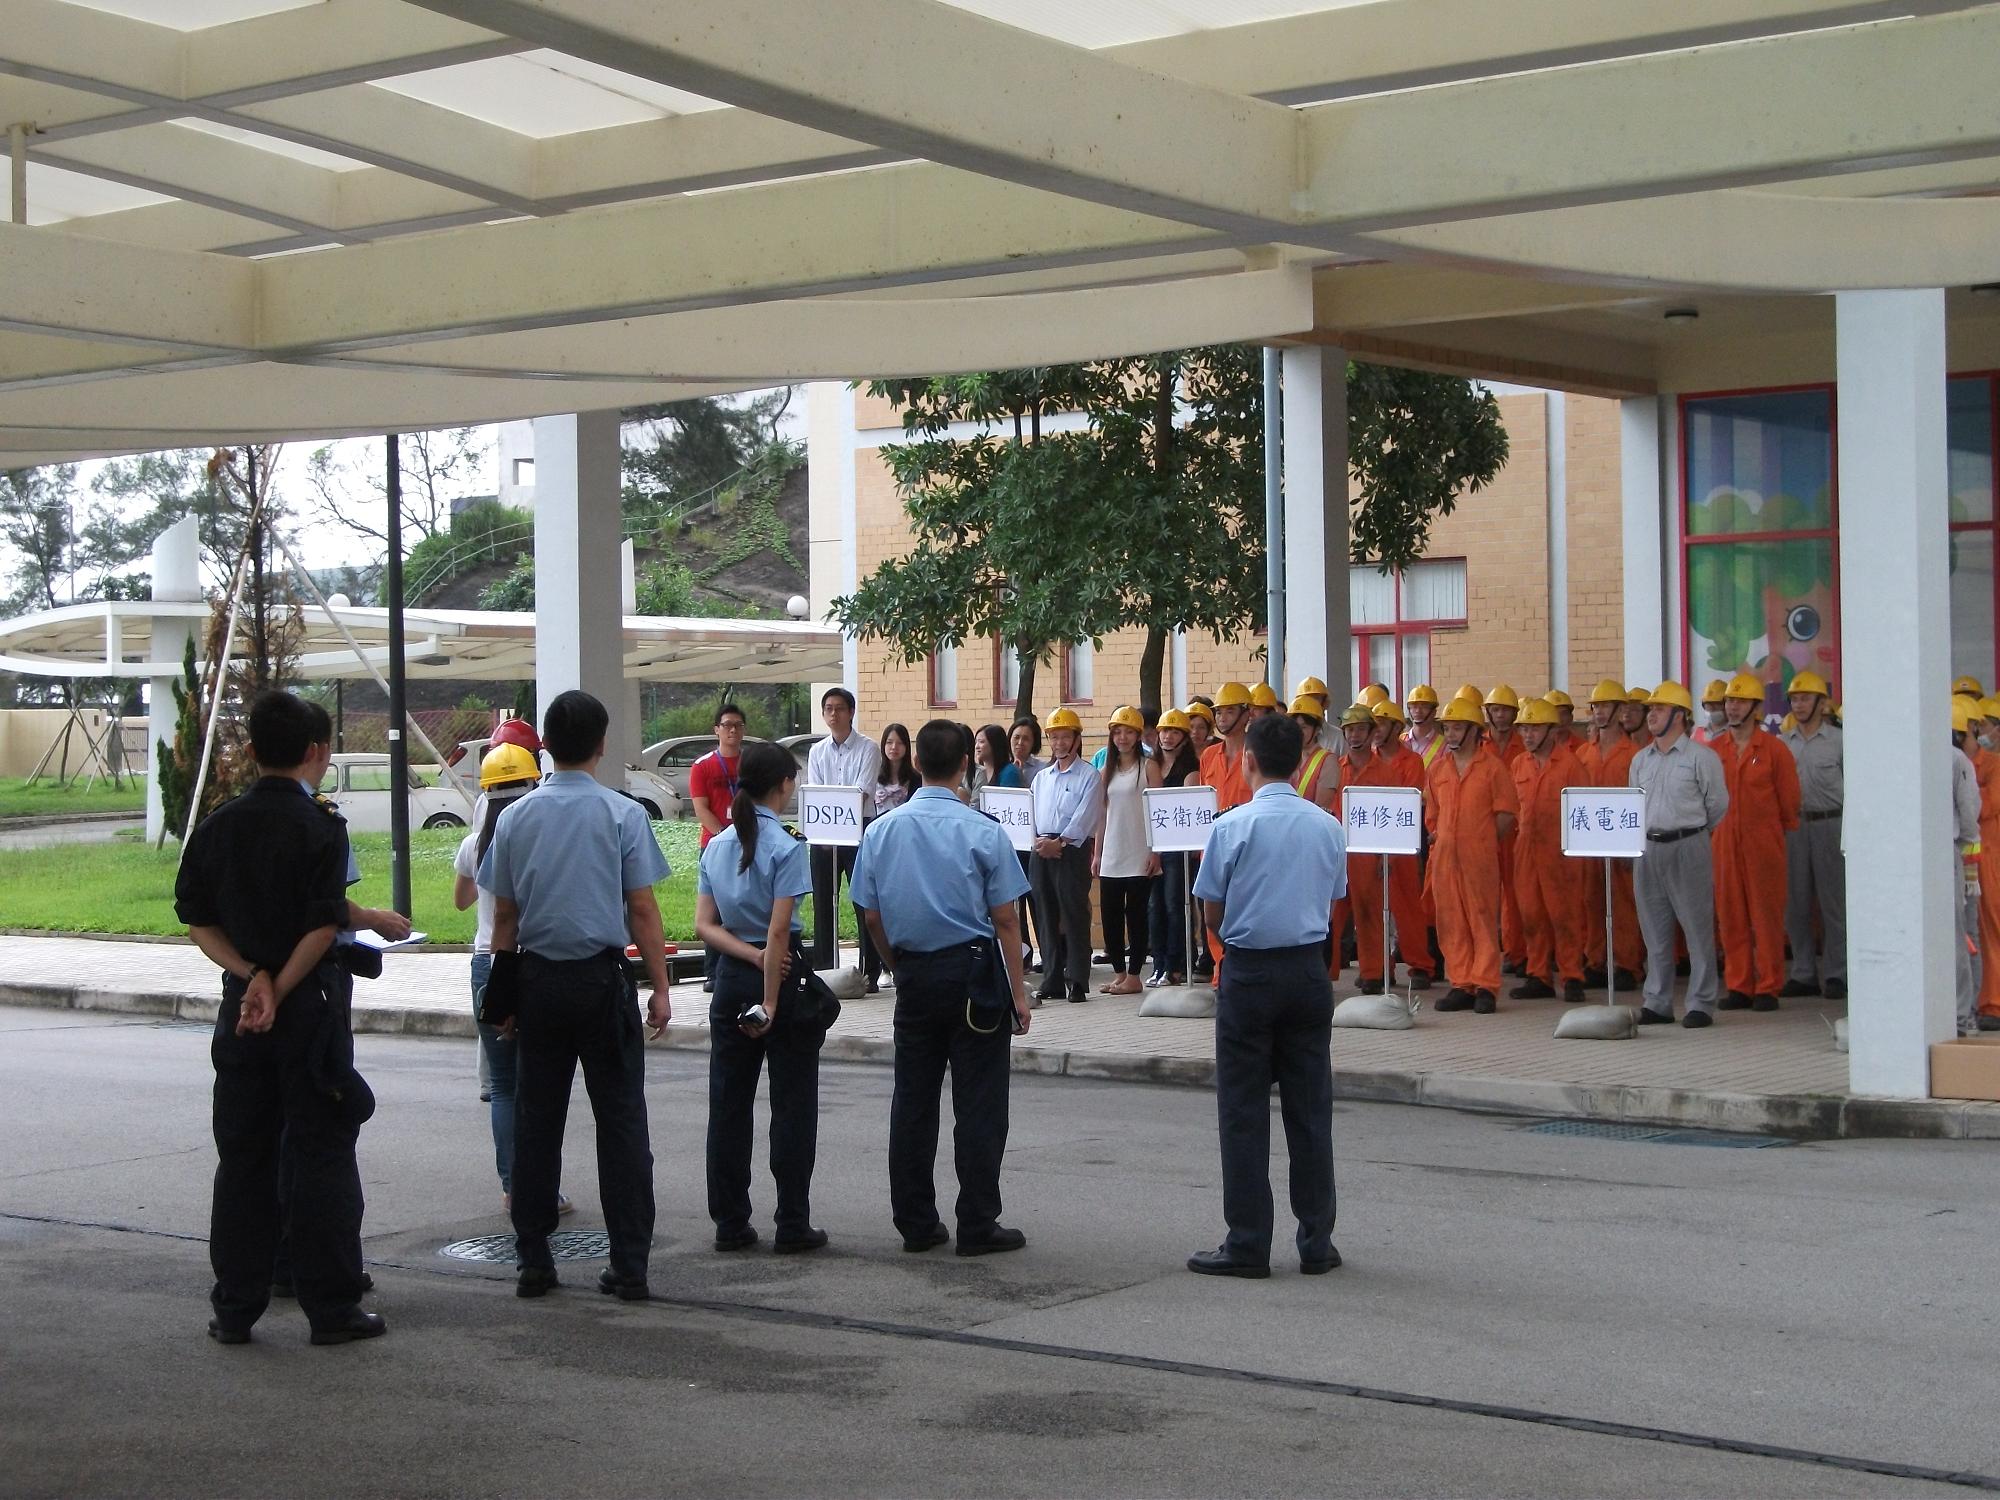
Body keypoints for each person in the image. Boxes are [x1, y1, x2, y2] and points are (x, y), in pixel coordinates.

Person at [175, 690, 383, 1347]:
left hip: (242, 1015)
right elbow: (324, 925)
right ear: (316, 752)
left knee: (243, 1158)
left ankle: (236, 1308)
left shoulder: (218, 825)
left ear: (252, 750)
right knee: (321, 1155)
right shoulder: (321, 826)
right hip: (308, 1011)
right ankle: (332, 1310)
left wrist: (250, 977)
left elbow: (197, 921)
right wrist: (281, 984)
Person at [479, 689, 671, 1301]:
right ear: (601, 744)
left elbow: (504, 918)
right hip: (601, 981)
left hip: (538, 982)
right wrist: (661, 987)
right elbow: (642, 908)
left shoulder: (515, 818)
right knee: (621, 1122)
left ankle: (534, 1260)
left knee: (537, 1122)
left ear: (544, 746)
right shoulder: (623, 814)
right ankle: (630, 1263)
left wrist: (505, 997)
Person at [851, 719, 1033, 1256]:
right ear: (964, 767)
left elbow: (871, 915)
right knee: (979, 1104)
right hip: (974, 975)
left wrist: (896, 964)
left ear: (916, 763)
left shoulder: (881, 831)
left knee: (913, 1101)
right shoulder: (983, 831)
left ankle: (915, 1222)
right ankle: (977, 1222)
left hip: (914, 973)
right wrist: (1019, 993)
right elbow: (1006, 919)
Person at [1188, 714, 1347, 1279]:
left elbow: (1211, 908)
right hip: (1307, 970)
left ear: (1248, 760)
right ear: (1301, 763)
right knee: (1311, 1111)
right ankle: (1317, 1242)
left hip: (1249, 970)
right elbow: (1333, 897)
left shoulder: (1231, 826)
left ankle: (1249, 1242)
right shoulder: (1328, 826)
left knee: (1243, 1111)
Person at [695, 741, 829, 1254]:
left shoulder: (717, 846)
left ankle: (730, 1222)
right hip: (781, 978)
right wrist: (770, 998)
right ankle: (792, 1223)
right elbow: (778, 933)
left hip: (732, 975)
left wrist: (748, 959)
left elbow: (705, 925)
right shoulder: (788, 847)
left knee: (728, 1103)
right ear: (783, 785)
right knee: (792, 1104)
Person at [452, 743, 571, 1219]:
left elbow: (461, 900)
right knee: (538, 1084)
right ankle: (543, 1189)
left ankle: (512, 1187)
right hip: (531, 961)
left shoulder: (475, 843)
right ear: (532, 783)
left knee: (502, 1085)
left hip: (486, 964)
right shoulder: (536, 837)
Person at [1629, 682, 1729, 1028]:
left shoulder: (1702, 757)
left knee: (1697, 928)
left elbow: (1717, 804)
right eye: (1651, 709)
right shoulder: (1640, 760)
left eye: (1659, 708)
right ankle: (1657, 1001)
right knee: (1654, 931)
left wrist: (1693, 831)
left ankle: (1701, 1002)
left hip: (1688, 845)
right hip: (1648, 847)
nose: (1651, 715)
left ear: (1679, 715)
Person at [1711, 673, 1801, 1011]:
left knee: (1766, 916)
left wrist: (1774, 832)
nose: (1732, 707)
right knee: (1730, 914)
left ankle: (1768, 985)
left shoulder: (1774, 750)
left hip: (1763, 842)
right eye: (1729, 701)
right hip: (1723, 841)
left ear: (1755, 708)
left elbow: (1789, 799)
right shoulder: (1714, 751)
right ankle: (1739, 985)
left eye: (1740, 701)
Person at [1426, 694, 1518, 1013]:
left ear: (1473, 731)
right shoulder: (1438, 769)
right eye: (1447, 728)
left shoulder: (1492, 768)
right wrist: (1442, 837)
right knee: (1451, 920)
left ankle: (1486, 985)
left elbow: (1506, 813)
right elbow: (1432, 814)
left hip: (1478, 857)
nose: (1450, 734)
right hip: (1445, 858)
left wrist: (1482, 840)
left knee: (1481, 919)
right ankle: (1461, 983)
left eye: (1456, 728)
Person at [1509, 697, 1589, 1003]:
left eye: (1534, 728)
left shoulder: (1571, 766)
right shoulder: (1519, 764)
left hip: (1561, 854)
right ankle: (1538, 974)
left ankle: (1572, 976)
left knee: (1565, 915)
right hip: (1526, 849)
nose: (1527, 735)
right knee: (1531, 914)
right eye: (1524, 729)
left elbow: (1582, 813)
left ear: (1551, 731)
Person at [805, 687, 883, 975]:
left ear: (851, 712)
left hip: (859, 829)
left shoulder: (868, 748)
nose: (833, 714)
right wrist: (827, 831)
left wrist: (839, 823)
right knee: (823, 902)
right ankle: (825, 969)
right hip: (823, 832)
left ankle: (869, 970)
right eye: (828, 709)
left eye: (839, 708)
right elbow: (816, 792)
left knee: (864, 901)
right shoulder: (817, 751)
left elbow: (863, 791)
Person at [1779, 670, 1846, 1001]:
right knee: (1795, 903)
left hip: (1830, 824)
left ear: (1822, 703)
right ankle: (1803, 972)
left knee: (1834, 903)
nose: (1799, 704)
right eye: (1794, 699)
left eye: (1806, 698)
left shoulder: (1839, 741)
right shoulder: (1782, 743)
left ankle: (1837, 973)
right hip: (1794, 827)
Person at [1029, 706, 1103, 1004]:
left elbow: (1085, 816)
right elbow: (1030, 813)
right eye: (1054, 736)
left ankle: (1077, 980)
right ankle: (1052, 979)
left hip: (1071, 849)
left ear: (1076, 739)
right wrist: (1037, 841)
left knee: (1073, 914)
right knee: (1044, 914)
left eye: (1064, 736)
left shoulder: (1089, 775)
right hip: (1041, 847)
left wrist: (1060, 842)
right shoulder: (1041, 778)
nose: (1059, 743)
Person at [1577, 678, 1643, 991]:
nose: (1600, 712)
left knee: (1624, 902)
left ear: (1619, 711)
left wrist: (1635, 845)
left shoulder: (1635, 755)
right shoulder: (1583, 754)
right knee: (1591, 901)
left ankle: (1627, 964)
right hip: (1589, 842)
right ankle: (1596, 960)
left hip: (1623, 843)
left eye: (1606, 706)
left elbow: (1641, 800)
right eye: (1596, 707)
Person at [1094, 705, 1162, 995]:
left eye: (1129, 732)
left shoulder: (1149, 767)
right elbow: (1101, 816)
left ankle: (1135, 975)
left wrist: (1156, 852)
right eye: (1117, 732)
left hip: (1139, 851)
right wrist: (1097, 853)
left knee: (1136, 916)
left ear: (1138, 735)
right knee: (1110, 917)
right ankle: (1119, 974)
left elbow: (1158, 812)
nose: (1122, 737)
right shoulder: (1104, 771)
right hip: (1112, 852)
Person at [1370, 698, 1434, 989]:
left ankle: (1420, 965)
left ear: (1396, 728)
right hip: (1371, 841)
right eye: (1374, 724)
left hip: (1402, 842)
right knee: (1375, 909)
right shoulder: (1367, 759)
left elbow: (1409, 799)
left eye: (1382, 724)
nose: (1376, 730)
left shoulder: (1412, 761)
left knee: (1408, 906)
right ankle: (1382, 967)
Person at [689, 701, 748, 992]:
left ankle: (743, 965)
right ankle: (712, 972)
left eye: (738, 725)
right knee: (713, 911)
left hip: (748, 844)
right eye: (727, 725)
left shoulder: (751, 764)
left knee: (743, 906)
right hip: (714, 846)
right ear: (716, 730)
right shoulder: (703, 766)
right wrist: (725, 837)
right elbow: (701, 808)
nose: (732, 730)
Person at [1147, 709, 1201, 988]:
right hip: (1155, 846)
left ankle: (1176, 964)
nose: (1167, 737)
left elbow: (1188, 805)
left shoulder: (1190, 768)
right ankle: (1158, 964)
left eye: (1174, 731)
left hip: (1179, 849)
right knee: (1154, 907)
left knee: (1175, 905)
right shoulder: (1151, 764)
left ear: (1184, 737)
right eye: (1164, 731)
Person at [1951, 701, 1985, 1036]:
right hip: (1954, 854)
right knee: (1960, 934)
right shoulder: (1957, 760)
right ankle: (1963, 1014)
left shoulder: (1925, 757)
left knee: (1959, 934)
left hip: (1945, 854)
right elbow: (1968, 811)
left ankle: (1961, 1012)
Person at [1288, 695, 1338, 813]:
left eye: (1303, 727)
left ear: (1316, 730)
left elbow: (1321, 809)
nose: (1298, 732)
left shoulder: (1328, 761)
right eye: (1295, 727)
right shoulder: (1286, 756)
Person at [1404, 684, 1444, 768]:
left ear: (1434, 712)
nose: (1418, 711)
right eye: (1414, 707)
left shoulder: (1445, 745)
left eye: (1424, 707)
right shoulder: (1399, 741)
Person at [971, 724, 1012, 792]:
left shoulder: (1009, 772)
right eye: (976, 742)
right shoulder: (977, 771)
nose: (976, 746)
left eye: (981, 742)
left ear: (995, 744)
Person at [1694, 680, 1729, 745]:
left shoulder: (1737, 734)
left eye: (1717, 703)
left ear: (1727, 705)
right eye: (1708, 703)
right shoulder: (1696, 734)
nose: (1712, 708)